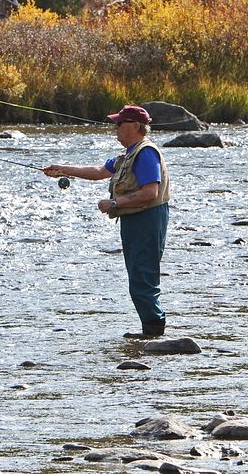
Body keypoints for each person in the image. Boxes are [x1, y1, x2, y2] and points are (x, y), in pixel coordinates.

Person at [42, 105, 170, 339]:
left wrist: (114, 203)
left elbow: (151, 192)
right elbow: (99, 171)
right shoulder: (129, 154)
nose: (115, 128)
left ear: (134, 126)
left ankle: (154, 333)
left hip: (147, 219)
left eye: (119, 124)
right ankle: (150, 332)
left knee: (143, 276)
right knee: (137, 276)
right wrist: (61, 169)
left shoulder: (146, 153)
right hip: (134, 219)